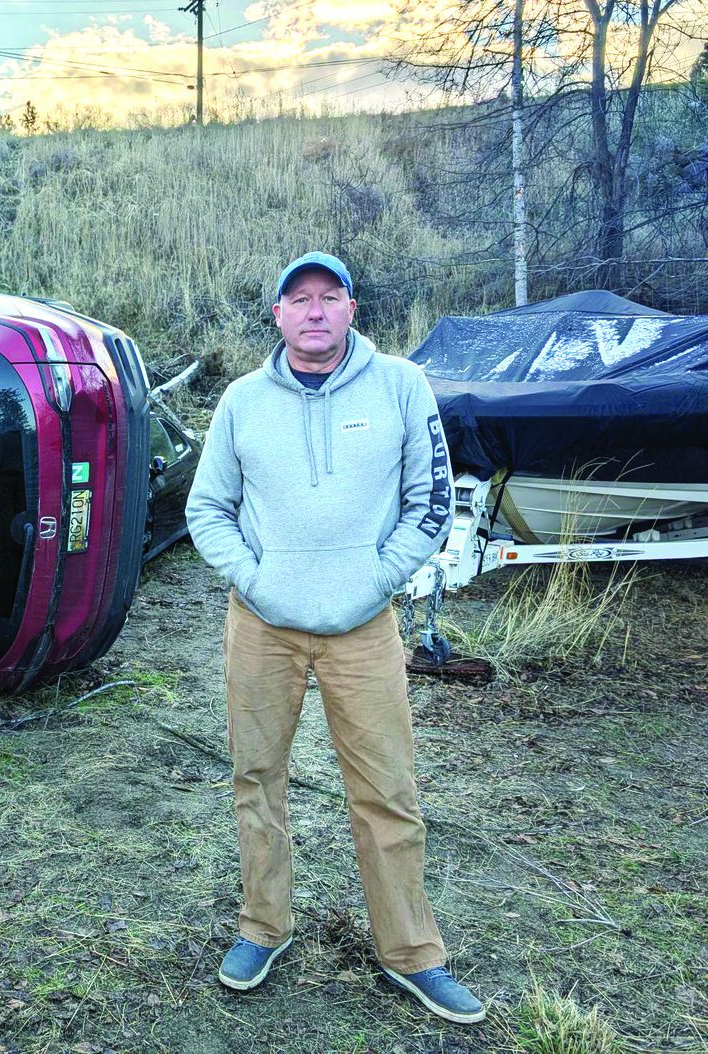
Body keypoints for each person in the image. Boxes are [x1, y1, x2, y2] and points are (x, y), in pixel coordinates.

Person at [184, 252, 483, 1024]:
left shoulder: (402, 388)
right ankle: (264, 926)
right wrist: (258, 579)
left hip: (363, 628)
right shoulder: (242, 403)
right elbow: (207, 509)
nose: (314, 311)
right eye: (298, 299)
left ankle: (413, 954)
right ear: (278, 316)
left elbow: (433, 501)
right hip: (261, 626)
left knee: (387, 789)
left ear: (352, 309)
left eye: (330, 297)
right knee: (257, 777)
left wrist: (374, 581)